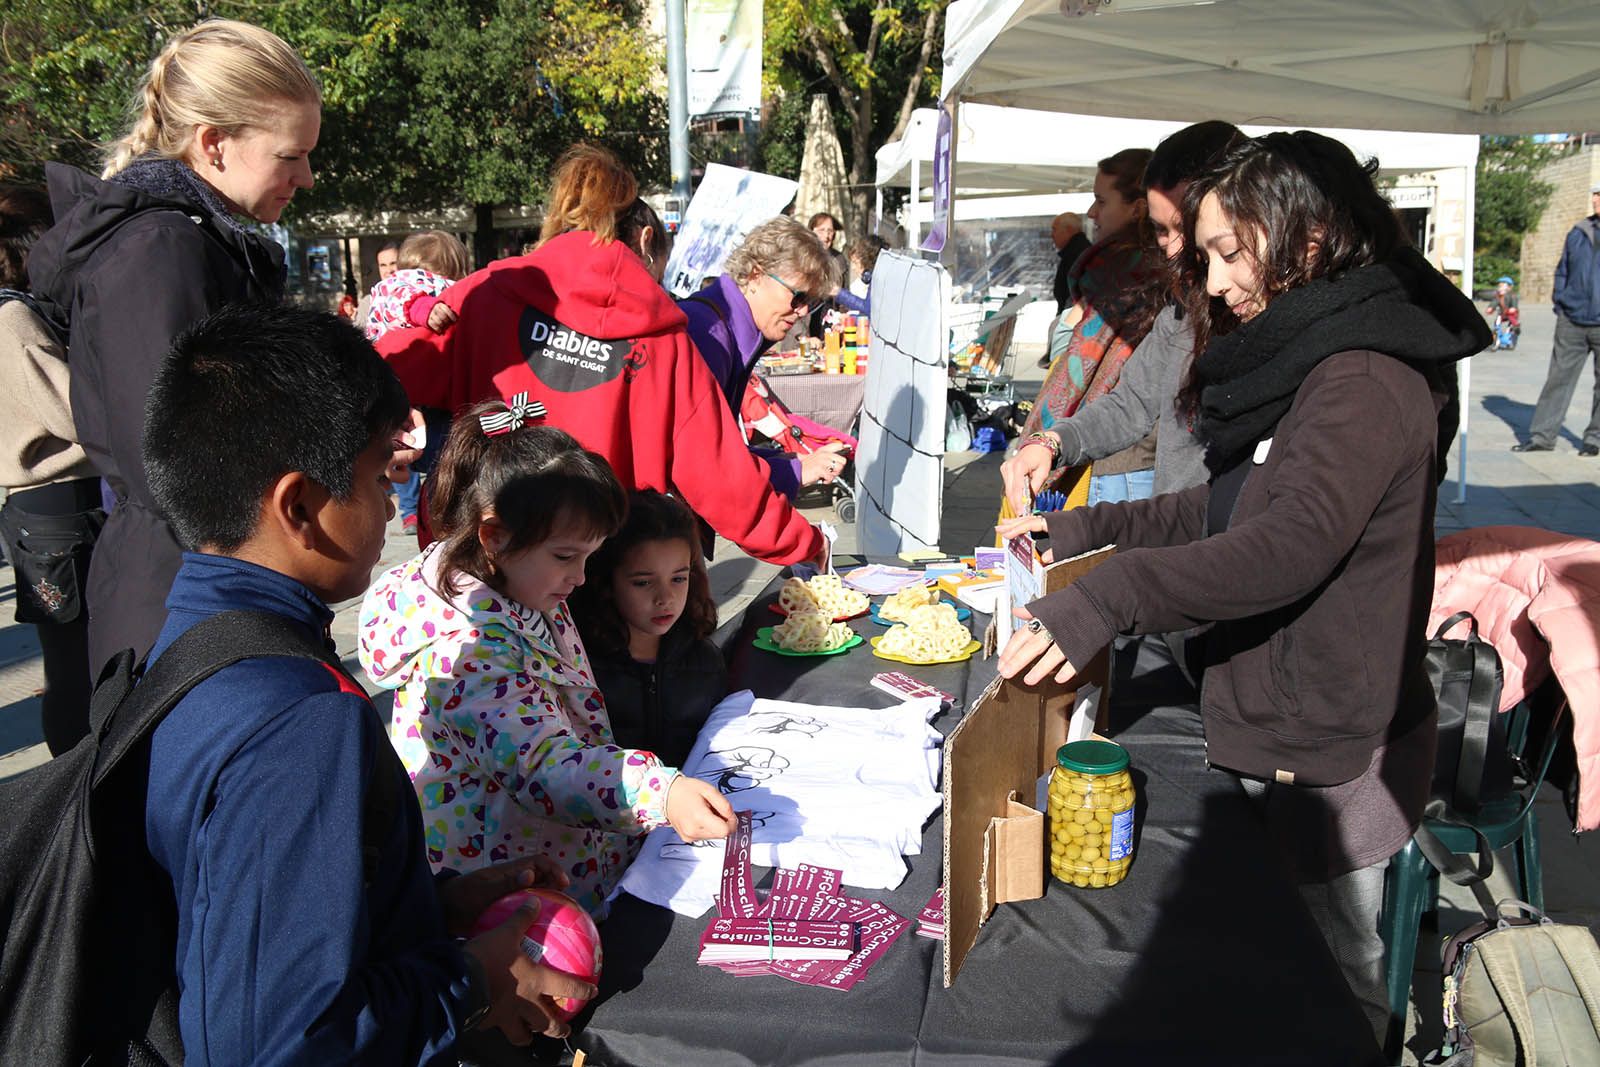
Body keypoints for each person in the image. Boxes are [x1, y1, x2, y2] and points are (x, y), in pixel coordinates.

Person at [996, 131, 1491, 1043]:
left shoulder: (1365, 380)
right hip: (1268, 720)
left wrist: (1107, 597)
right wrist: (1082, 532)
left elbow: (1281, 548)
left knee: (1330, 986)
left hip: (1328, 746)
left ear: (1303, 241)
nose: (1213, 282)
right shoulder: (1306, 359)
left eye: (1229, 253)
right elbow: (1214, 510)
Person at [140, 303, 596, 1060]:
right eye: (380, 473)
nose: (393, 501)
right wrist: (472, 977)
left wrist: (432, 903)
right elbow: (275, 1040)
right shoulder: (297, 725)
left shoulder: (193, 637)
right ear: (299, 507)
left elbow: (245, 915)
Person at [28, 18, 318, 678]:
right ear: (213, 144)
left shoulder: (187, 238)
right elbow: (172, 456)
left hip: (201, 579)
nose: (306, 176)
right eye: (290, 155)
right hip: (183, 598)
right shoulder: (160, 248)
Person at [359, 410, 737, 917]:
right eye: (566, 557)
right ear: (494, 535)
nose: (581, 578)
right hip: (505, 889)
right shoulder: (467, 654)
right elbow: (540, 763)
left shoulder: (518, 582)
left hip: (552, 856)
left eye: (589, 557)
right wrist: (661, 793)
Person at [376, 144, 825, 568]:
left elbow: (388, 365)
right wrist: (807, 543)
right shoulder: (665, 338)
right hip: (599, 574)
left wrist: (387, 423)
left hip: (485, 559)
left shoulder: (489, 291)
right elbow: (723, 480)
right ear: (646, 238)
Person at [1003, 122, 1245, 514]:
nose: (1173, 251)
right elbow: (1131, 401)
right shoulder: (1180, 313)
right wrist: (1052, 442)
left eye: (1186, 230)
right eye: (1161, 231)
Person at [0, 184, 104, 755]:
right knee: (72, 667)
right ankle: (72, 789)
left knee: (80, 659)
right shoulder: (13, 318)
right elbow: (74, 412)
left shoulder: (23, 312)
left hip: (53, 510)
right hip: (55, 509)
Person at [1017, 147, 1162, 506]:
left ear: (1137, 207)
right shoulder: (1152, 268)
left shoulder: (1121, 272)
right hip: (1131, 460)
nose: (1092, 213)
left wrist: (1041, 440)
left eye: (1101, 200)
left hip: (1114, 467)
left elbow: (1077, 375)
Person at [679, 216, 848, 497]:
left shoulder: (727, 329)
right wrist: (795, 473)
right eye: (798, 297)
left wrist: (795, 462)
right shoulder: (709, 334)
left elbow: (723, 454)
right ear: (756, 275)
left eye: (811, 302)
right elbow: (704, 470)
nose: (803, 311)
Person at [571, 490, 728, 767]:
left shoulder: (704, 659)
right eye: (643, 582)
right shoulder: (580, 668)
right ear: (606, 583)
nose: (665, 598)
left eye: (678, 578)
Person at [366, 229, 471, 533]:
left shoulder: (386, 291)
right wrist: (429, 311)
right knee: (447, 462)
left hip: (398, 396)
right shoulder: (420, 289)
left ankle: (422, 512)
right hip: (435, 400)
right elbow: (413, 301)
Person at [1514, 185, 1600, 455]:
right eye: (1595, 195)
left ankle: (1595, 439)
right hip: (1571, 319)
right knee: (1558, 379)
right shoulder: (1578, 231)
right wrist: (1561, 301)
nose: (1596, 199)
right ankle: (1542, 437)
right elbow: (1562, 269)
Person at [1051, 210, 1090, 316]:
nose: (1051, 235)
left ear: (1068, 230)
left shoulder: (1077, 256)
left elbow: (1077, 299)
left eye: (1054, 229)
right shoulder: (1076, 252)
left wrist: (1064, 328)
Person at [357, 240, 401, 329]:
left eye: (393, 263)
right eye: (383, 265)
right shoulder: (368, 303)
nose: (389, 270)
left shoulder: (414, 296)